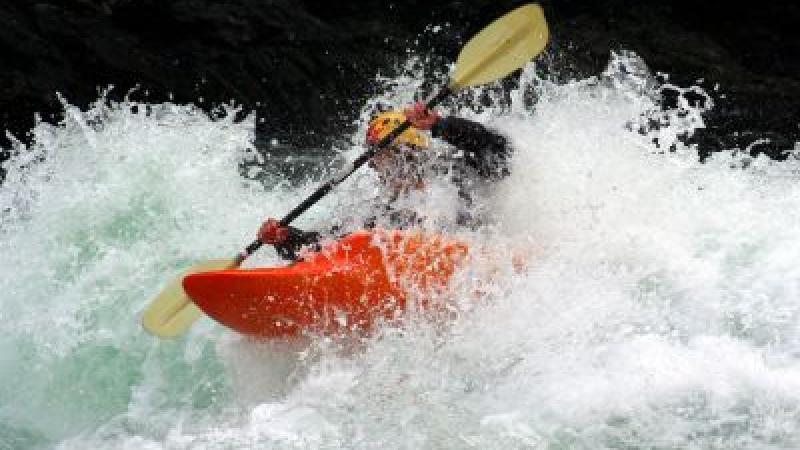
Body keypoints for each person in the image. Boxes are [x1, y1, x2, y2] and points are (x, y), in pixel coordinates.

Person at [259, 102, 513, 260]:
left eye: (405, 154)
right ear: (373, 163)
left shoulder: (455, 176)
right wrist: (286, 238)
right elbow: (325, 249)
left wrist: (441, 125)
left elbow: (501, 151)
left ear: (421, 153)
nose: (398, 164)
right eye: (386, 156)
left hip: (479, 257)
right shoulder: (381, 216)